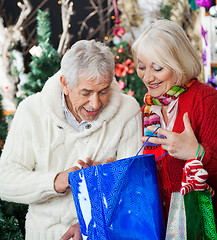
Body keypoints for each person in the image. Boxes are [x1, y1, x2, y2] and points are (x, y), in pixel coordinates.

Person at [0, 39, 142, 239]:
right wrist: (56, 181)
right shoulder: (31, 110)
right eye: (86, 93)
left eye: (103, 91)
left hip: (103, 234)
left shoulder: (128, 111)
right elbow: (4, 180)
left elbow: (135, 188)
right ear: (65, 84)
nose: (95, 103)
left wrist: (106, 179)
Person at [132, 19, 217, 222]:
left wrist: (197, 153)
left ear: (179, 64)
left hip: (203, 225)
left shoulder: (205, 99)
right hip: (164, 226)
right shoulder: (148, 109)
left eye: (158, 68)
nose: (147, 77)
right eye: (142, 67)